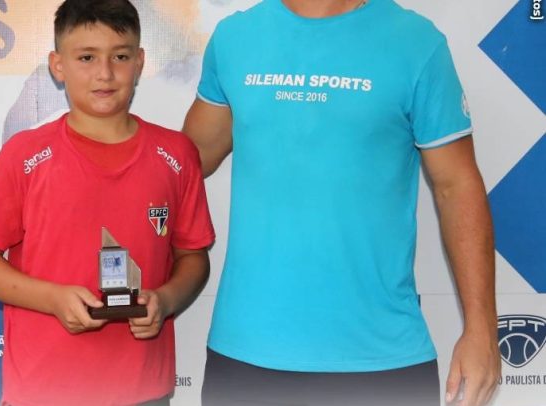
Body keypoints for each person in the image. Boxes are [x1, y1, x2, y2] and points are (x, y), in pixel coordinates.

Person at [182, 0, 500, 405]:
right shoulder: (235, 38)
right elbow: (190, 161)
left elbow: (457, 187)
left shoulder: (417, 43)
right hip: (247, 354)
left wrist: (482, 331)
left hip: (381, 359)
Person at [0, 1, 215, 405]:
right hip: (43, 390)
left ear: (140, 62)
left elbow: (193, 256)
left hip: (142, 389)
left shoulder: (176, 154)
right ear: (58, 65)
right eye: (86, 57)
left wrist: (166, 300)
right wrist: (53, 299)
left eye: (120, 56)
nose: (105, 73)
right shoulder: (24, 156)